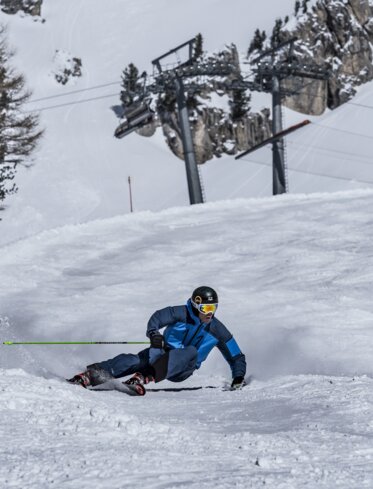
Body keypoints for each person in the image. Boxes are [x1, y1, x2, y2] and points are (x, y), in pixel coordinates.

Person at [68, 286, 247, 392]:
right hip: (162, 353)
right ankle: (90, 376)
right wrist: (154, 334)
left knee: (190, 351)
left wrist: (238, 377)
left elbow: (236, 356)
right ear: (195, 305)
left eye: (213, 308)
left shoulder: (217, 330)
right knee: (135, 360)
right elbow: (157, 318)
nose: (210, 313)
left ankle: (146, 377)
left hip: (183, 367)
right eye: (205, 308)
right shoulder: (180, 313)